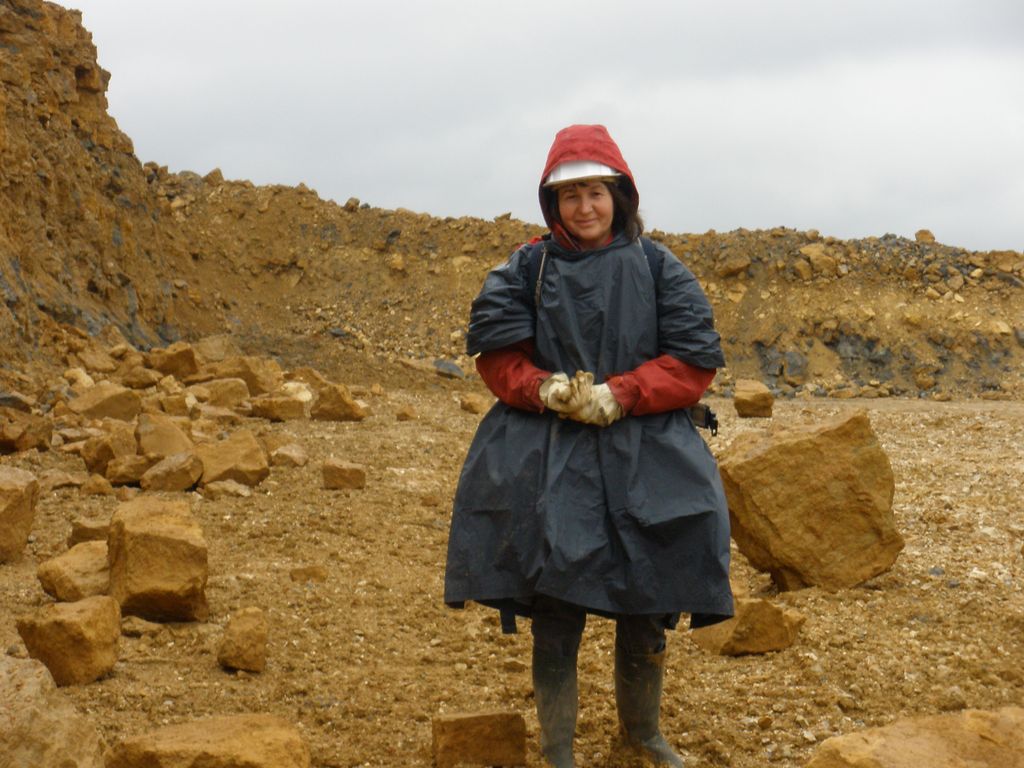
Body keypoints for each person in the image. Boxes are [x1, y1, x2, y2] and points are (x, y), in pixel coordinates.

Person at [444, 124, 733, 767]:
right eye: (570, 195)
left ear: (619, 195)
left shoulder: (659, 267)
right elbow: (498, 357)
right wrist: (543, 388)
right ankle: (559, 753)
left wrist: (622, 393)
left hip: (646, 448)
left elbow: (693, 361)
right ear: (553, 203)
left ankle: (642, 735)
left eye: (596, 192)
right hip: (549, 452)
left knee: (648, 591)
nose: (585, 207)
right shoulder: (526, 268)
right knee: (557, 599)